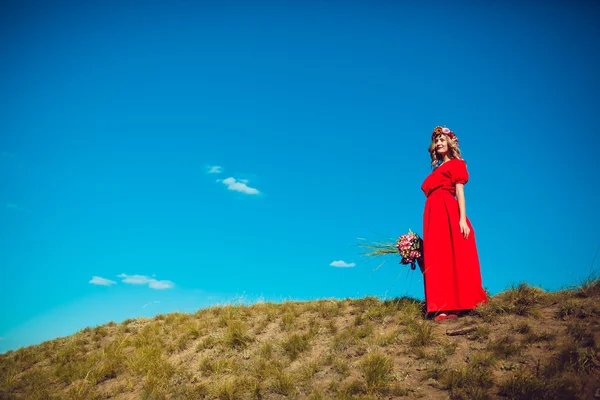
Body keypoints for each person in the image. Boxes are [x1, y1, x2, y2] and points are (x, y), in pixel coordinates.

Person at [420, 126, 488, 321]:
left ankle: (457, 305)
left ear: (451, 142)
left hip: (448, 210)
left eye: (442, 139)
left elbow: (460, 193)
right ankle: (440, 306)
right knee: (437, 257)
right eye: (436, 141)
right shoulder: (437, 169)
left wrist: (462, 219)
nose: (439, 143)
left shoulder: (457, 164)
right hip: (433, 213)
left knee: (453, 255)